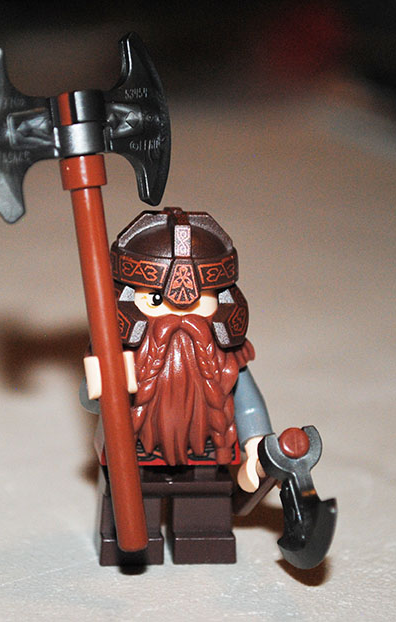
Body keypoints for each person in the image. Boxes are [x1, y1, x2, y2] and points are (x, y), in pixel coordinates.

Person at [82, 207, 274, 565]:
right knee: (131, 511)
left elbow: (247, 404)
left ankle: (202, 540)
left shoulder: (225, 362)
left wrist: (257, 445)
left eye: (199, 302)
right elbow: (90, 402)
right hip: (131, 455)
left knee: (204, 516)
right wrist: (103, 384)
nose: (179, 318)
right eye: (156, 301)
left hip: (208, 451)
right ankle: (127, 543)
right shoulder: (124, 359)